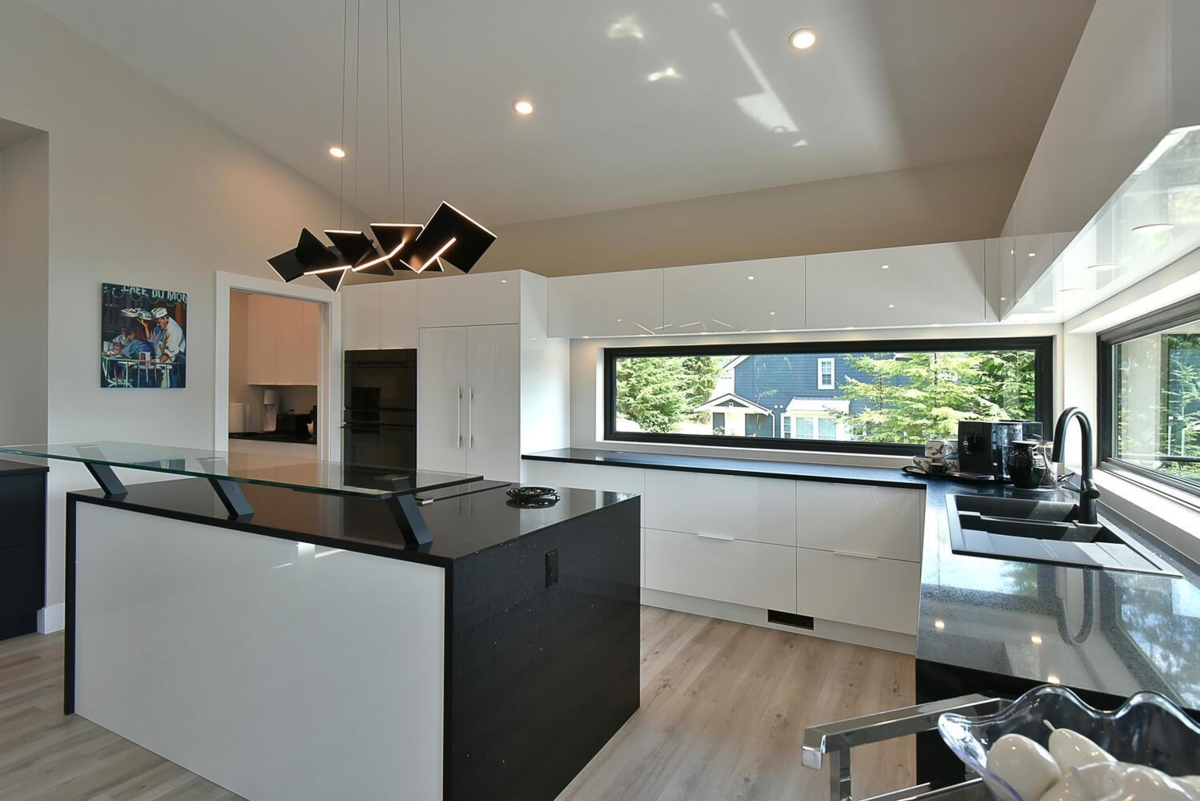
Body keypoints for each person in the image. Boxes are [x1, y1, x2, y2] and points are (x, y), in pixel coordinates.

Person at [151, 307, 186, 387]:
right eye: (156, 322)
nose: (157, 325)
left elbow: (169, 354)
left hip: (173, 364)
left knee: (167, 386)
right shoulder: (161, 327)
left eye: (159, 322)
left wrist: (156, 361)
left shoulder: (173, 330)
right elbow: (153, 340)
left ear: (165, 319)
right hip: (162, 363)